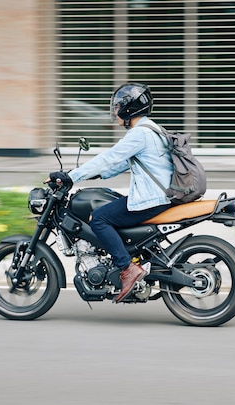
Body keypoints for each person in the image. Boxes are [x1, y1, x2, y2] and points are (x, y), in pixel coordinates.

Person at [48, 82, 173, 303]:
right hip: (160, 196)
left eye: (118, 107)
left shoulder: (139, 134)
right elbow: (122, 164)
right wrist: (93, 175)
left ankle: (127, 269)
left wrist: (72, 176)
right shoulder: (153, 129)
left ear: (128, 108)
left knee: (99, 218)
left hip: (151, 199)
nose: (115, 112)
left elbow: (109, 157)